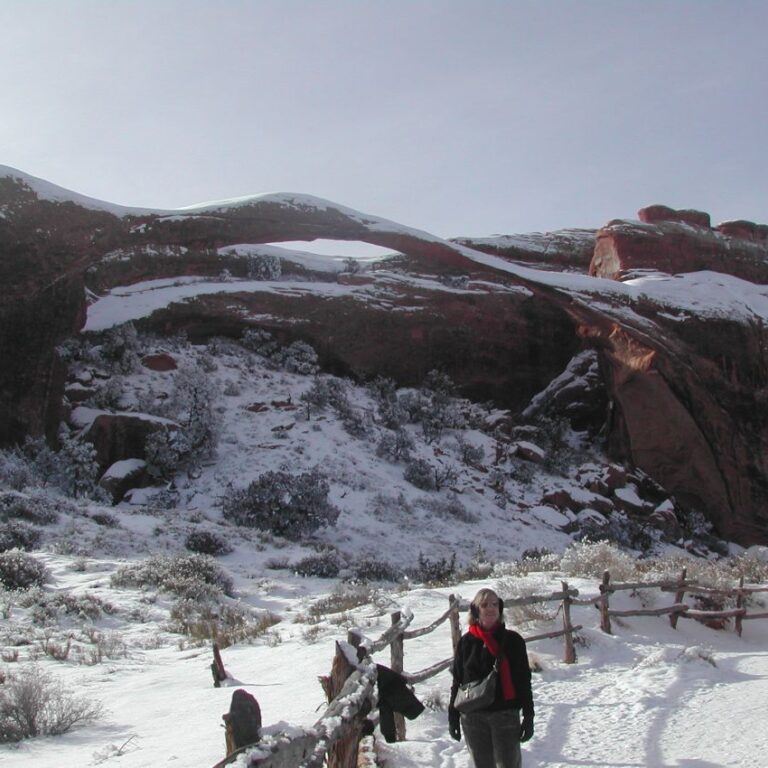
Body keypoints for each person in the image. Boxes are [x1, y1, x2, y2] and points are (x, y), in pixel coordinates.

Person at [449, 587, 534, 768]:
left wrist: (528, 715)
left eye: (495, 604)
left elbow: (523, 681)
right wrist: (453, 716)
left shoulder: (513, 641)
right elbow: (458, 681)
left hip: (505, 715)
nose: (490, 609)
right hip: (473, 717)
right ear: (475, 610)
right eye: (485, 604)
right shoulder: (466, 642)